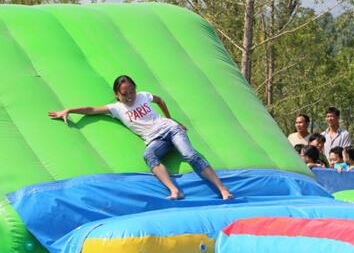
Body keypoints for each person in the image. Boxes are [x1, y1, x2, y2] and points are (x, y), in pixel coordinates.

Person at [48, 75, 233, 200]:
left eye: (131, 91)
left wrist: (170, 118)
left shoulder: (143, 96)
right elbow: (91, 110)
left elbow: (159, 100)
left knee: (190, 155)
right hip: (155, 140)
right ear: (117, 95)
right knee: (148, 155)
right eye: (125, 94)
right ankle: (175, 190)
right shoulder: (117, 108)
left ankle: (223, 189)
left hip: (171, 129)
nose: (130, 96)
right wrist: (69, 110)